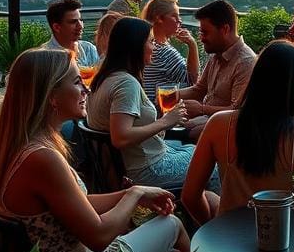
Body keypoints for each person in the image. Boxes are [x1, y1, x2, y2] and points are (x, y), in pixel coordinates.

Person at [0, 49, 201, 252]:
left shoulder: (23, 148)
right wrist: (134, 194)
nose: (86, 88)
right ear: (52, 96)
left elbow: (75, 206)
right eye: (76, 82)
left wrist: (127, 193)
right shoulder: (42, 159)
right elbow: (98, 236)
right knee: (171, 225)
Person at [181, 41, 294, 223]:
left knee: (211, 197)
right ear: (293, 85)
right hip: (283, 236)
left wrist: (213, 230)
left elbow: (190, 196)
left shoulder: (219, 123)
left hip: (231, 236)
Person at [86, 18, 207, 193]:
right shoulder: (126, 84)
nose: (155, 47)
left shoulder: (103, 79)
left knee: (189, 148)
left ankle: (198, 207)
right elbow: (121, 137)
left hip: (126, 166)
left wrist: (164, 121)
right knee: (210, 160)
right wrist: (166, 121)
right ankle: (215, 214)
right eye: (151, 42)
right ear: (135, 46)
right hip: (145, 170)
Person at [178, 0, 256, 142]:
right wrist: (168, 95)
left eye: (205, 32)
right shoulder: (216, 53)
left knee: (179, 134)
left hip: (225, 129)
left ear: (225, 29)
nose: (201, 38)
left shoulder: (245, 62)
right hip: (205, 120)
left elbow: (237, 112)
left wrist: (202, 109)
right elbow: (199, 90)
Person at [140, 0, 200, 105]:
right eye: (174, 16)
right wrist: (192, 45)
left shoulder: (147, 45)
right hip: (162, 112)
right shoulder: (162, 52)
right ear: (159, 18)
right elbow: (192, 81)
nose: (179, 20)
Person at [42, 0, 99, 67]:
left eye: (80, 20)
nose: (80, 26)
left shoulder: (88, 49)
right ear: (56, 27)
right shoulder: (45, 57)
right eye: (73, 22)